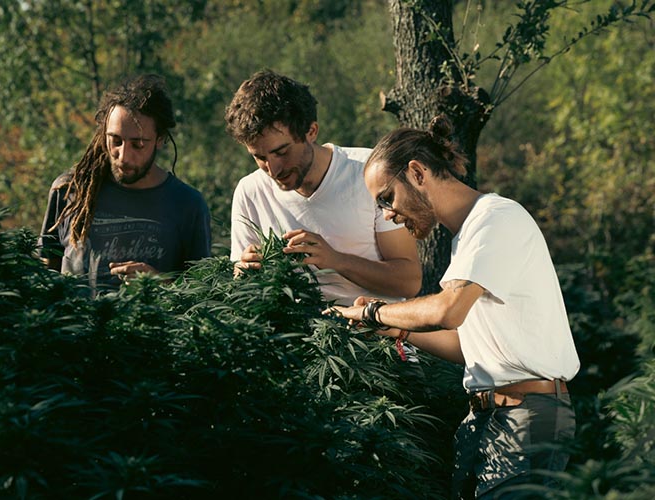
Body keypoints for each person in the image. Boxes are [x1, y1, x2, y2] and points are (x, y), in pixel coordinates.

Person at [328, 116, 581, 498]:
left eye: (386, 198)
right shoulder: (464, 239)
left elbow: (448, 310)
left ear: (416, 172)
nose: (388, 215)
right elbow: (467, 346)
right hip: (487, 418)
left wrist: (370, 312)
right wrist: (397, 329)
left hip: (526, 416)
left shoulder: (495, 219)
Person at [224, 70, 421, 306]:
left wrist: (336, 260)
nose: (273, 169)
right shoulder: (250, 191)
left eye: (281, 152)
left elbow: (409, 282)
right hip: (292, 334)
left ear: (311, 131)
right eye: (259, 157)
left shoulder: (369, 175)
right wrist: (244, 272)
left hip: (373, 332)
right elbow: (238, 284)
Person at [39, 74, 211, 293]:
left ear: (160, 140)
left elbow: (203, 295)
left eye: (137, 144)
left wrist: (159, 284)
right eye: (115, 141)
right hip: (78, 326)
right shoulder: (70, 190)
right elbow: (45, 272)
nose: (123, 156)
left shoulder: (188, 204)